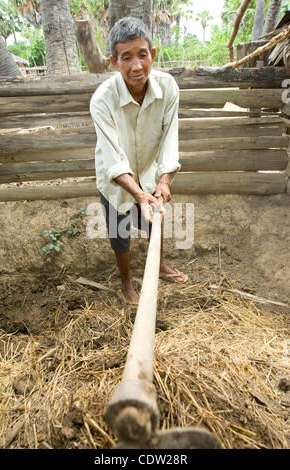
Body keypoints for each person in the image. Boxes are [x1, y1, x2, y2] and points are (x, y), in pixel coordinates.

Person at [90, 16, 188, 305]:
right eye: (126, 57)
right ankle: (126, 283)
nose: (137, 66)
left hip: (149, 172)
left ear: (152, 54)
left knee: (153, 223)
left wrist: (164, 179)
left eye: (142, 55)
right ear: (114, 62)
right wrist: (138, 194)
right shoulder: (102, 100)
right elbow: (113, 157)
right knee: (120, 232)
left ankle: (159, 266)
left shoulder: (168, 88)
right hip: (116, 180)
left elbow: (170, 137)